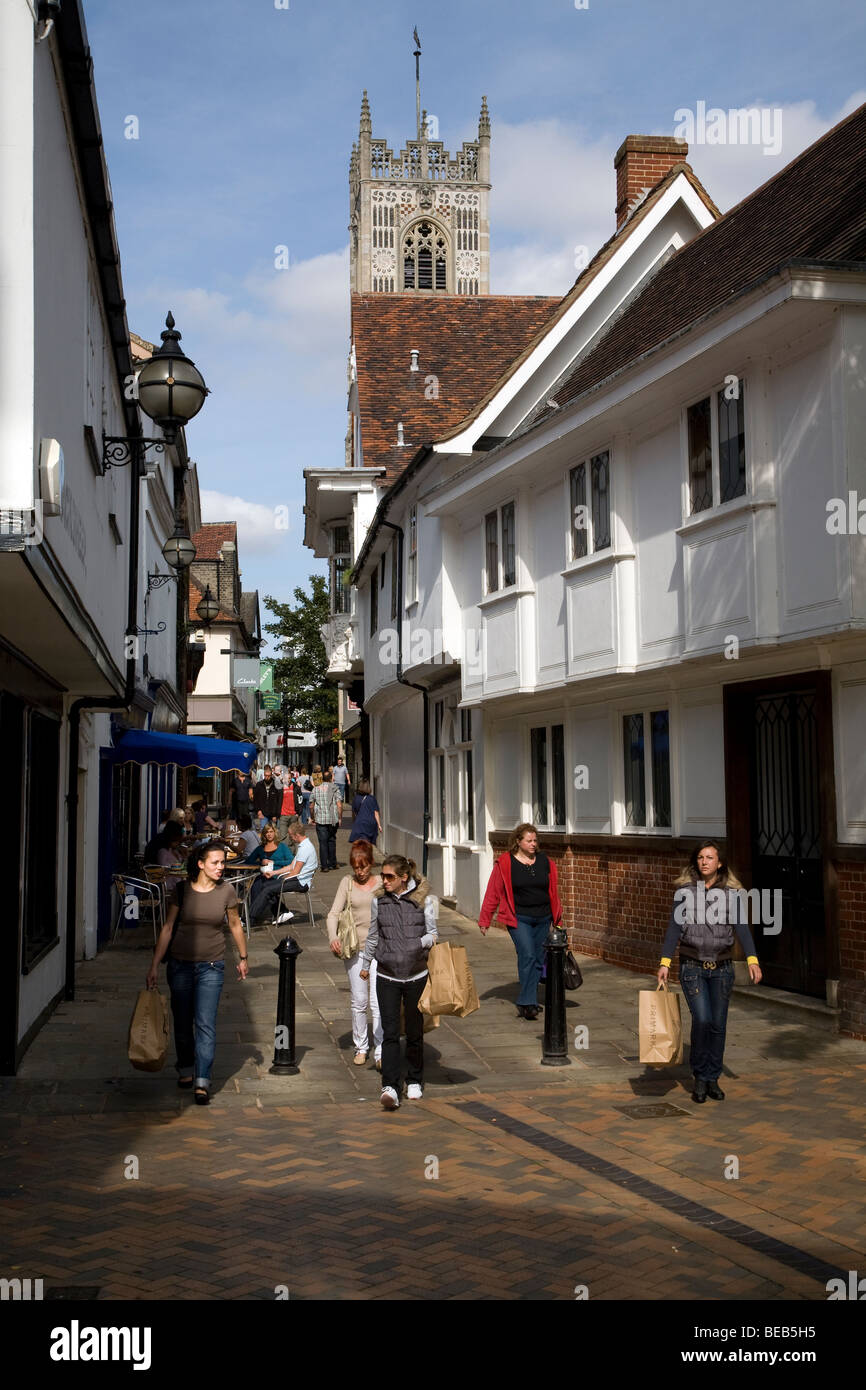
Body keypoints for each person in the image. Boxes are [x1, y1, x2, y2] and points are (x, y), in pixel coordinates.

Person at [658, 840, 762, 1103]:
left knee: (718, 1025)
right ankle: (700, 1077)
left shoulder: (731, 894)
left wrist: (752, 959)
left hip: (722, 969)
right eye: (701, 858)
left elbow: (741, 928)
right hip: (692, 967)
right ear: (696, 862)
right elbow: (673, 929)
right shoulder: (684, 893)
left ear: (720, 863)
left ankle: (712, 1077)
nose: (705, 862)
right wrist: (665, 963)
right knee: (702, 1019)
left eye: (710, 858)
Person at [146, 840, 248, 1105]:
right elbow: (168, 928)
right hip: (179, 965)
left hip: (212, 966)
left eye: (223, 862)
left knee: (205, 1024)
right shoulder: (181, 891)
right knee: (181, 1022)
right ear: (200, 864)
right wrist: (155, 964)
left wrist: (243, 957)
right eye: (215, 862)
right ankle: (185, 1068)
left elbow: (235, 924)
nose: (220, 867)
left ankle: (202, 1079)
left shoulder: (226, 891)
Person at [359, 854, 438, 1110]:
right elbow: (373, 936)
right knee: (390, 1032)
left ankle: (414, 1079)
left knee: (414, 1030)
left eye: (389, 876)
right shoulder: (378, 901)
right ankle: (390, 1086)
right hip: (386, 974)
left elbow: (433, 934)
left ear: (404, 877)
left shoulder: (426, 900)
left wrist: (416, 944)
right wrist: (365, 965)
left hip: (416, 974)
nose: (384, 880)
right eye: (382, 876)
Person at [479, 823, 562, 1021]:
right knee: (527, 955)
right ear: (518, 841)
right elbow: (493, 892)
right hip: (519, 918)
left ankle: (529, 1000)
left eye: (535, 840)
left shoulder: (545, 861)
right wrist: (485, 919)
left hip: (543, 917)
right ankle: (527, 1002)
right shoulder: (506, 863)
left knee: (537, 959)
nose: (533, 844)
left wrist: (557, 918)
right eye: (529, 840)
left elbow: (553, 892)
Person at [326, 840, 383, 1068]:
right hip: (355, 950)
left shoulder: (381, 882)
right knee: (359, 1000)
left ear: (371, 863)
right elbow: (333, 914)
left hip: (379, 950)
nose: (359, 872)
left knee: (377, 1002)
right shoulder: (346, 883)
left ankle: (380, 1049)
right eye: (356, 867)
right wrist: (333, 937)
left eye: (363, 866)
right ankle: (361, 1047)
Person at [250, 820, 318, 926]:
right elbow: (291, 866)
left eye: (291, 835)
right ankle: (282, 912)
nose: (290, 837)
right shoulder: (303, 846)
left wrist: (281, 879)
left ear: (297, 835)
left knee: (269, 888)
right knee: (266, 885)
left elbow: (295, 871)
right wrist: (273, 873)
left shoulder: (305, 848)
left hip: (301, 882)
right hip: (298, 879)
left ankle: (249, 919)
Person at [246, 822, 295, 924]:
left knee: (262, 885)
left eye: (271, 832)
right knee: (257, 883)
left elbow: (291, 861)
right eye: (267, 832)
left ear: (275, 833)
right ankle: (280, 912)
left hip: (278, 875)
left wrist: (274, 862)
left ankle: (251, 917)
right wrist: (260, 862)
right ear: (264, 834)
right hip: (264, 875)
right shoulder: (260, 848)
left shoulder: (281, 846)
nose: (269, 834)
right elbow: (249, 861)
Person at [310, 769, 342, 873]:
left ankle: (324, 866)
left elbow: (311, 806)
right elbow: (339, 805)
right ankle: (333, 863)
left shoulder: (316, 789)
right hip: (332, 819)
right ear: (331, 778)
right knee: (331, 840)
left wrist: (312, 817)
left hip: (320, 819)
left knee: (322, 843)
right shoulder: (335, 788)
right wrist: (340, 817)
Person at [349, 778, 382, 847]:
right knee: (368, 844)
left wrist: (354, 823)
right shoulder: (372, 798)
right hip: (370, 824)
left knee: (359, 844)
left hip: (360, 823)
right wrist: (379, 825)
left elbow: (354, 812)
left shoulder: (356, 798)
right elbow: (376, 813)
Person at [155, 821, 186, 894]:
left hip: (179, 883)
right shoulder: (163, 852)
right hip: (170, 886)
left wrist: (185, 857)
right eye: (176, 841)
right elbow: (164, 869)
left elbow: (183, 866)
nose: (178, 843)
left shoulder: (175, 851)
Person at [252, 764, 281, 829]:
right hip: (263, 813)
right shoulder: (259, 785)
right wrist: (258, 811)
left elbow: (278, 800)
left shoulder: (276, 785)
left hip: (273, 813)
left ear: (271, 775)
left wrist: (276, 814)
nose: (267, 777)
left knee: (273, 832)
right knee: (263, 830)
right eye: (265, 776)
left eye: (268, 776)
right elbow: (255, 799)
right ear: (263, 775)